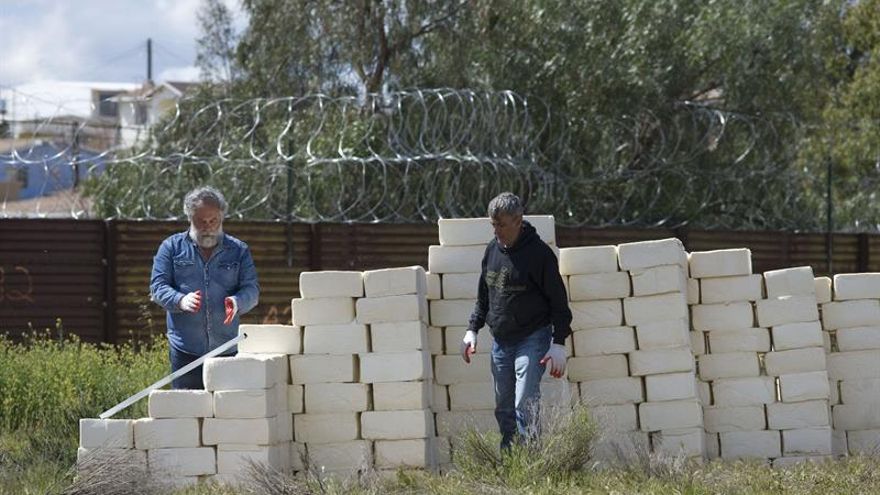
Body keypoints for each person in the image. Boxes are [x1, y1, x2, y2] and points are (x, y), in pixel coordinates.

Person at [460, 192, 572, 449]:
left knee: (525, 402)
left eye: (502, 224)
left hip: (533, 339)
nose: (497, 230)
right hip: (501, 341)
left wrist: (558, 343)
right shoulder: (492, 250)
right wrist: (472, 330)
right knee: (504, 407)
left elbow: (559, 304)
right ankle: (510, 463)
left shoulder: (539, 254)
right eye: (493, 225)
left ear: (518, 220)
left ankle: (531, 463)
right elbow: (484, 296)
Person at [150, 186, 260, 389]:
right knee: (187, 413)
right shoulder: (171, 248)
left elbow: (251, 290)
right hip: (185, 351)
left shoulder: (239, 250)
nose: (208, 226)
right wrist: (180, 300)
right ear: (190, 218)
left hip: (227, 350)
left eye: (213, 221)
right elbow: (158, 287)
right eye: (201, 221)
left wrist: (237, 302)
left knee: (225, 412)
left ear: (222, 218)